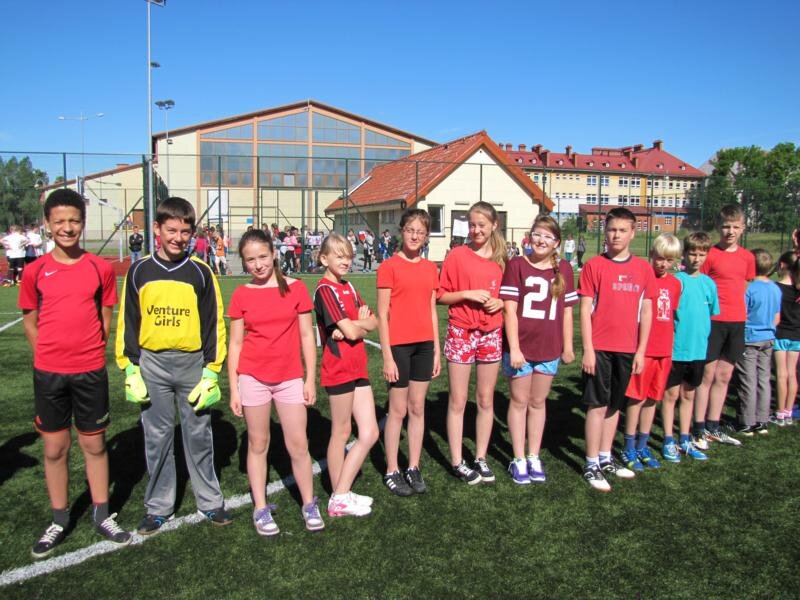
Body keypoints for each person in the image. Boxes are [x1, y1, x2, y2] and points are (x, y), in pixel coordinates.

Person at [19, 189, 130, 559]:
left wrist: (91, 351)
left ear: (83, 222)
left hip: (89, 372)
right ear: (47, 224)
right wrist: (47, 356)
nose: (67, 228)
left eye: (74, 220)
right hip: (49, 374)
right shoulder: (35, 271)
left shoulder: (99, 268)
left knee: (94, 445)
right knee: (55, 448)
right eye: (60, 221)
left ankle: (101, 512)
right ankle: (59, 518)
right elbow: (30, 322)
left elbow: (106, 316)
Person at [116, 197, 231, 535]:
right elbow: (129, 321)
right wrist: (130, 368)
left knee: (198, 434)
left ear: (192, 233)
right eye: (171, 230)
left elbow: (214, 323)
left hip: (192, 364)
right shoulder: (139, 271)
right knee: (157, 437)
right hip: (152, 365)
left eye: (184, 232)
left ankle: (209, 501)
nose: (178, 238)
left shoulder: (201, 272)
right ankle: (159, 506)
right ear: (156, 229)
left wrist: (211, 371)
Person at [227, 229, 323, 535]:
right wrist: (234, 387)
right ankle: (260, 507)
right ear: (244, 262)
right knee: (258, 443)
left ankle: (309, 504)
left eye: (263, 257)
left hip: (289, 377)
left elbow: (307, 336)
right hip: (252, 377)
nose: (258, 264)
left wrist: (310, 378)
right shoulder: (241, 294)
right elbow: (235, 344)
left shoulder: (296, 288)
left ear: (274, 253)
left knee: (298, 444)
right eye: (250, 260)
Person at [578, 207, 654, 491]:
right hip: (599, 348)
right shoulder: (594, 266)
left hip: (627, 348)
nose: (616, 235)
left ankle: (605, 457)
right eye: (612, 230)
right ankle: (591, 464)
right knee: (597, 404)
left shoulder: (644, 269)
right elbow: (585, 310)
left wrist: (641, 351)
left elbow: (646, 311)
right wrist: (588, 349)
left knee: (614, 405)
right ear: (605, 232)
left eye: (622, 230)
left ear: (633, 233)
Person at [500, 215, 577, 484]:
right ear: (529, 236)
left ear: (557, 243)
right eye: (537, 234)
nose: (541, 240)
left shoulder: (563, 269)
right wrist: (515, 348)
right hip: (521, 348)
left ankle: (534, 455)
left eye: (548, 236)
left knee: (538, 402)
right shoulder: (517, 265)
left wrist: (568, 346)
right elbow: (509, 310)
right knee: (519, 401)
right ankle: (518, 458)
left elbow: (567, 312)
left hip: (549, 348)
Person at [438, 201, 506, 484]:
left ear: (494, 226)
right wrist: (467, 294)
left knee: (485, 399)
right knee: (458, 400)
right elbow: (441, 295)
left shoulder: (503, 259)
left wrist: (501, 302)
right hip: (461, 333)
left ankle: (480, 457)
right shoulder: (457, 255)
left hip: (491, 333)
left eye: (482, 225)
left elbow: (510, 296)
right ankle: (457, 461)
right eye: (472, 225)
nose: (476, 230)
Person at [313, 233, 379, 517]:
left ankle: (341, 493)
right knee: (341, 432)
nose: (346, 261)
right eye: (339, 256)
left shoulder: (349, 286)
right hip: (338, 368)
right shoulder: (324, 290)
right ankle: (339, 496)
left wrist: (355, 325)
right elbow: (353, 331)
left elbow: (374, 321)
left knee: (370, 432)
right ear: (324, 258)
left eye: (349, 256)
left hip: (358, 366)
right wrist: (355, 325)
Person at [377, 210, 440, 496]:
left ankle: (413, 466)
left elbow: (431, 311)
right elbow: (382, 314)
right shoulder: (389, 266)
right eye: (410, 230)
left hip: (424, 346)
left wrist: (436, 350)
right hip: (399, 347)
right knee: (397, 410)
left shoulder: (430, 268)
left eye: (421, 232)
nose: (415, 236)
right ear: (402, 231)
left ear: (426, 236)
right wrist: (387, 356)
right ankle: (392, 469)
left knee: (417, 408)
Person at [694, 204, 755, 447]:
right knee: (706, 375)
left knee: (725, 375)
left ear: (743, 228)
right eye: (726, 226)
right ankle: (698, 428)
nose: (730, 231)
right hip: (713, 322)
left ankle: (713, 425)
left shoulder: (747, 257)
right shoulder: (710, 254)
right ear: (718, 227)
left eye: (735, 227)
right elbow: (700, 285)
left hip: (737, 322)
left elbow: (744, 286)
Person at [622, 233, 682, 471]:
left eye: (669, 260)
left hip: (664, 352)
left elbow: (671, 317)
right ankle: (628, 446)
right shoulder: (642, 278)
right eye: (659, 258)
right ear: (651, 254)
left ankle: (642, 445)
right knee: (637, 397)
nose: (663, 264)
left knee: (652, 399)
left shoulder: (676, 284)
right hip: (644, 350)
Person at [660, 232, 719, 462]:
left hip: (698, 351)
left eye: (701, 254)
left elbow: (711, 314)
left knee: (688, 395)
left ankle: (685, 439)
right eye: (692, 253)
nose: (697, 258)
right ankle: (668, 440)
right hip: (676, 351)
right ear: (684, 254)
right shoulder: (676, 281)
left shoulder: (709, 284)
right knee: (671, 395)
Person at [733, 249, 781, 435]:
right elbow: (777, 316)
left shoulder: (750, 289)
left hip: (750, 338)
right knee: (764, 379)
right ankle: (762, 419)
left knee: (748, 380)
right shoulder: (775, 288)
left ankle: (746, 421)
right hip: (768, 338)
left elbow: (742, 314)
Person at [772, 251, 800, 426]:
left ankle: (780, 413)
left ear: (782, 265)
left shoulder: (776, 288)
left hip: (780, 335)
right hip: (797, 336)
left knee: (781, 375)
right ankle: (789, 412)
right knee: (792, 374)